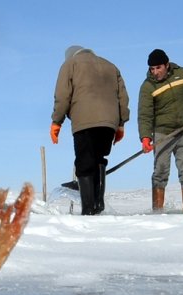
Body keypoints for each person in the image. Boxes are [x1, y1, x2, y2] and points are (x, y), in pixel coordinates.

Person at [51, 45, 130, 215]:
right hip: (109, 123)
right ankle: (98, 204)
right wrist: (121, 124)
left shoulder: (70, 64)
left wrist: (57, 121)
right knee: (98, 158)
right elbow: (123, 97)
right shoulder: (110, 66)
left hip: (84, 121)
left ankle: (88, 210)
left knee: (84, 163)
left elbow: (62, 95)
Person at [137, 48, 183, 213]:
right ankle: (157, 212)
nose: (155, 72)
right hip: (162, 133)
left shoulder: (182, 74)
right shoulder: (147, 86)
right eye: (152, 69)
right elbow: (144, 115)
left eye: (158, 67)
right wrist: (145, 137)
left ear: (167, 65)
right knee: (160, 171)